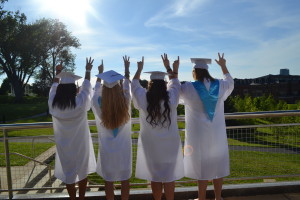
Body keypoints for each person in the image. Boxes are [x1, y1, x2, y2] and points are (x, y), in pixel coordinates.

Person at [180, 53, 234, 200]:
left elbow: (173, 93)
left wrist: (172, 71)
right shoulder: (221, 85)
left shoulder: (188, 88)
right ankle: (218, 197)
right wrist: (223, 65)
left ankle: (202, 198)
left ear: (194, 72)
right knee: (218, 164)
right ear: (207, 71)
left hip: (198, 135)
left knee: (201, 164)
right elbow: (230, 82)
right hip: (217, 134)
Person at [131, 54, 184, 200]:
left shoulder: (143, 97)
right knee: (169, 176)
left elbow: (134, 84)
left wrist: (139, 69)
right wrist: (170, 67)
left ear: (150, 84)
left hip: (151, 144)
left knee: (155, 176)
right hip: (170, 143)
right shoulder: (172, 97)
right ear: (164, 84)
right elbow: (175, 82)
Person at [48, 58, 97, 200]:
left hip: (64, 144)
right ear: (74, 89)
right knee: (83, 172)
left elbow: (53, 87)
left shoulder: (53, 104)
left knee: (69, 173)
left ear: (60, 90)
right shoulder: (80, 102)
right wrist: (88, 70)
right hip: (81, 143)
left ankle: (72, 198)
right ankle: (81, 197)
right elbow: (87, 87)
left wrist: (58, 73)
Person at [91, 56, 132, 200]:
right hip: (124, 148)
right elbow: (127, 87)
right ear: (118, 86)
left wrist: (99, 76)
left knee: (108, 181)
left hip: (107, 148)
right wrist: (126, 69)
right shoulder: (125, 101)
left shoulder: (97, 102)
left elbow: (95, 92)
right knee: (125, 180)